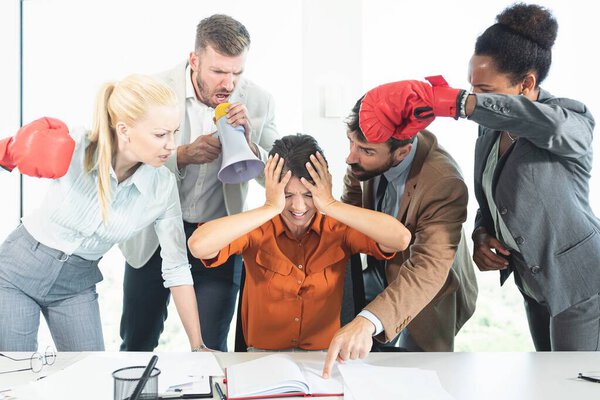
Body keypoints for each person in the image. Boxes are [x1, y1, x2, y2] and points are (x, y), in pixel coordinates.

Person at [352, 3, 600, 351]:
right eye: (471, 88)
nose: (474, 100)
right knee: (550, 383)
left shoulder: (569, 118)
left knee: (575, 387)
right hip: (534, 286)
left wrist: (458, 103)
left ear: (527, 83)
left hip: (582, 285)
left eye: (484, 91)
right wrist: (482, 234)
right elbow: (492, 199)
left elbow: (550, 124)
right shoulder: (488, 132)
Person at [0, 74, 204, 351]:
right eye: (160, 134)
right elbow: (8, 154)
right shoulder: (74, 145)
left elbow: (177, 267)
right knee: (16, 376)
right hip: (15, 274)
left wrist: (197, 345)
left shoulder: (162, 188)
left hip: (75, 287)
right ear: (124, 130)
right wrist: (12, 151)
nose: (171, 144)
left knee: (88, 380)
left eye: (175, 132)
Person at [118, 14, 278, 352]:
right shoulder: (155, 90)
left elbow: (273, 178)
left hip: (218, 237)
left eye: (237, 73)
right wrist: (183, 155)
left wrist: (251, 146)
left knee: (210, 346)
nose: (229, 84)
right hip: (152, 235)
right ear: (194, 60)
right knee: (137, 341)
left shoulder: (259, 101)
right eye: (218, 71)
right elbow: (126, 162)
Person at [188, 134, 411, 351]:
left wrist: (331, 204)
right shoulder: (256, 227)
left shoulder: (338, 227)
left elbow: (400, 239)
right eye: (286, 195)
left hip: (324, 358)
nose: (298, 207)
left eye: (308, 195)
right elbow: (198, 245)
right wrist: (269, 208)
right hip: (263, 359)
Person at [322, 95, 479, 378]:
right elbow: (353, 211)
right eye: (351, 142)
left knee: (419, 377)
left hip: (429, 292)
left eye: (365, 151)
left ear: (402, 153)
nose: (350, 157)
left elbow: (428, 268)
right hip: (379, 272)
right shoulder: (363, 155)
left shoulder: (445, 183)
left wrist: (368, 321)